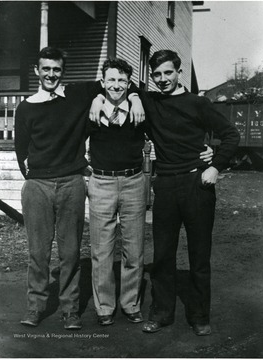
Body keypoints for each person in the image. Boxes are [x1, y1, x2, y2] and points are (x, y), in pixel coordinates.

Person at [91, 50, 240, 335]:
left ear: (178, 73)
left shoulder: (199, 103)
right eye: (157, 75)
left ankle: (199, 316)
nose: (162, 79)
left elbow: (231, 134)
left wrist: (216, 166)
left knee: (198, 256)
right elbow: (121, 86)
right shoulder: (150, 100)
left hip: (198, 184)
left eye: (168, 73)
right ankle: (162, 313)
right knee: (163, 256)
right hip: (166, 186)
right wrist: (115, 97)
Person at [14, 47, 143, 330]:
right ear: (37, 71)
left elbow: (115, 85)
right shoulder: (25, 107)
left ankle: (70, 310)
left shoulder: (75, 95)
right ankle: (35, 307)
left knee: (70, 251)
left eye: (56, 69)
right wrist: (34, 177)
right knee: (38, 252)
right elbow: (20, 149)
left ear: (63, 72)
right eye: (45, 69)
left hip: (71, 182)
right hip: (37, 185)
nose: (51, 74)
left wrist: (125, 96)